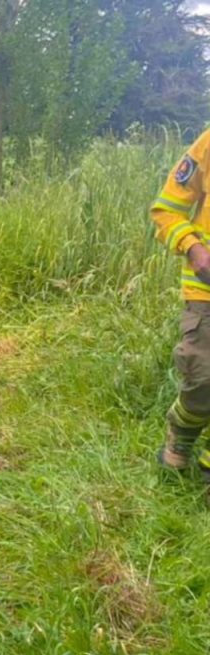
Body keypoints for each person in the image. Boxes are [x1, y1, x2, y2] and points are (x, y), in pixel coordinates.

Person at [152, 131, 210, 484]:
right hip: (206, 290)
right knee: (203, 377)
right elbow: (166, 211)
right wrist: (195, 249)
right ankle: (181, 431)